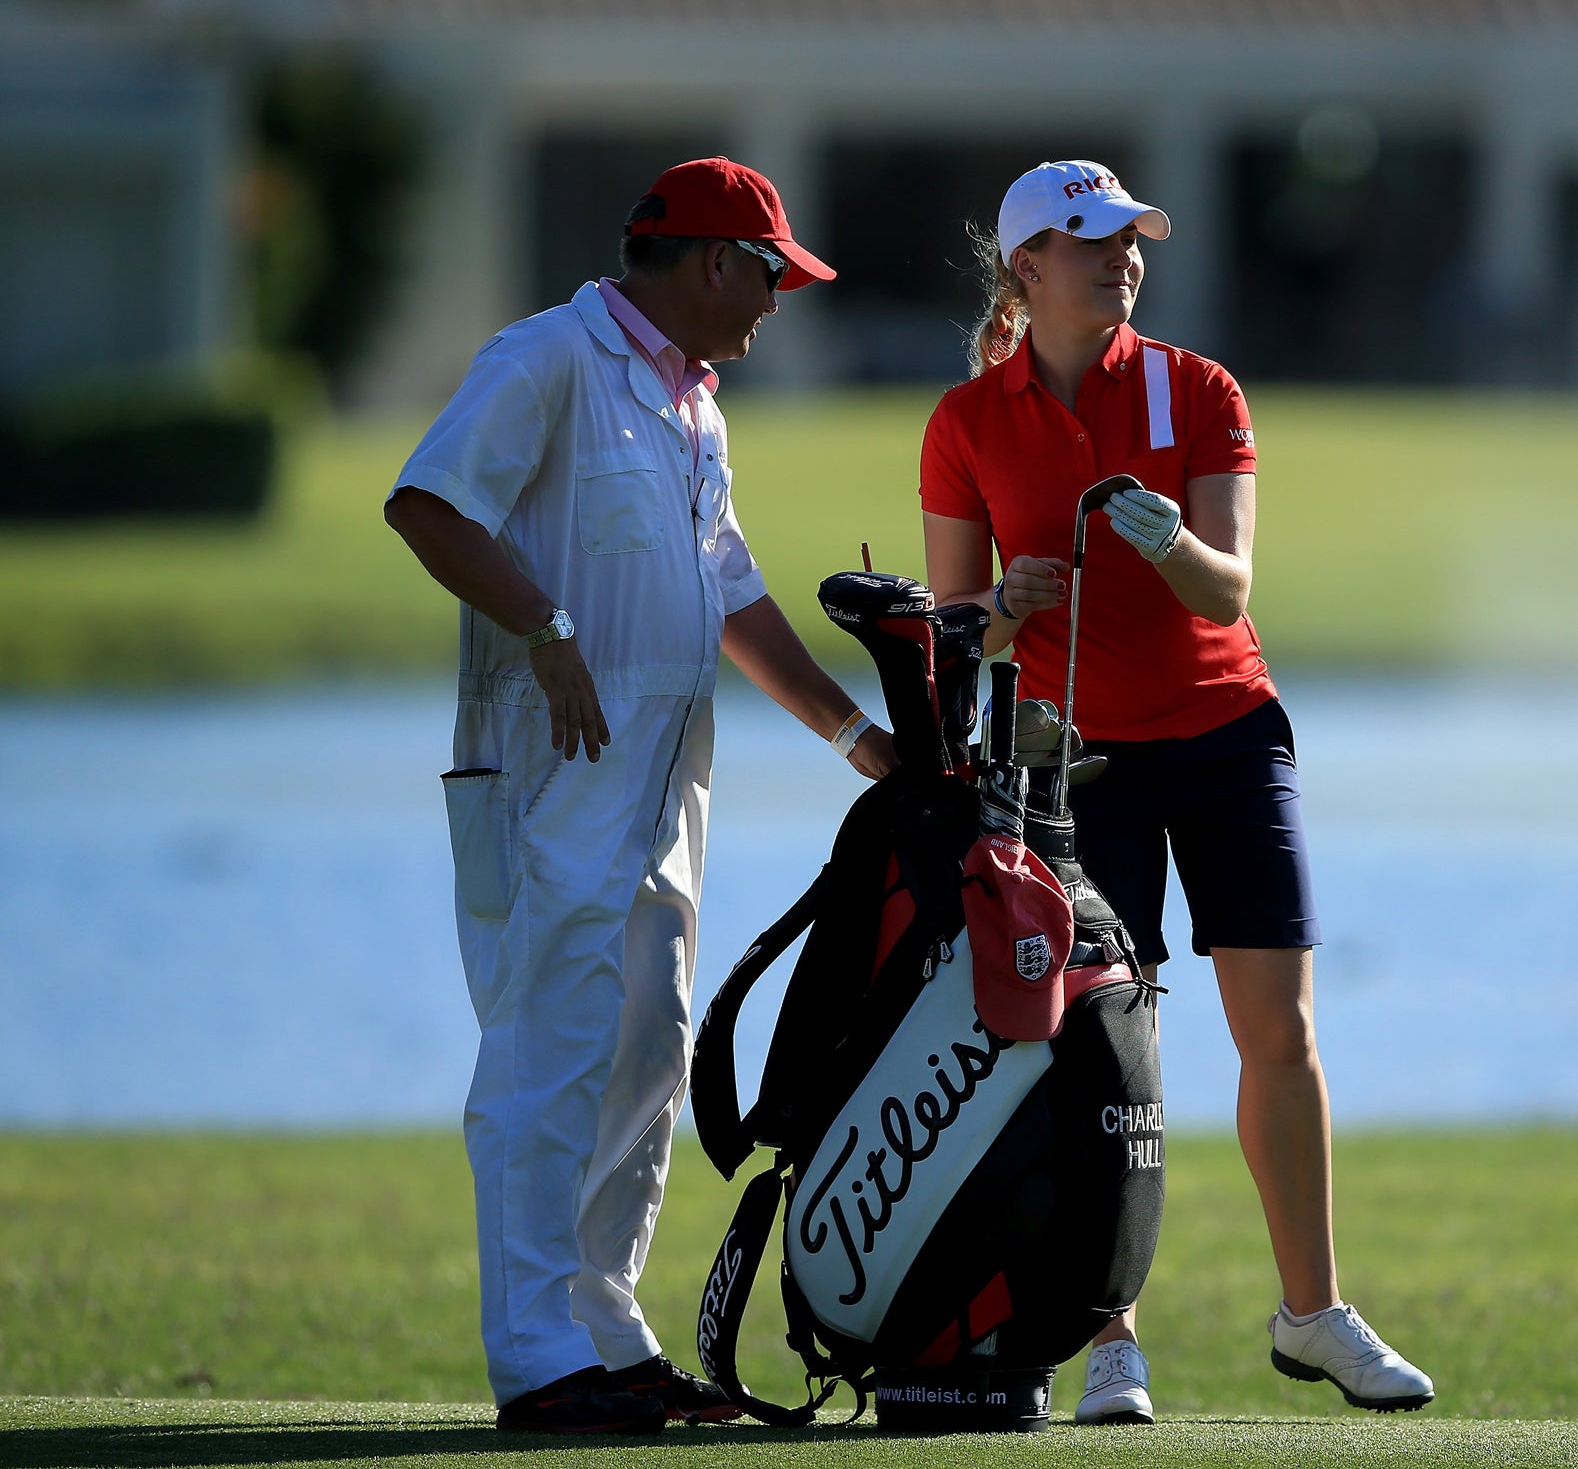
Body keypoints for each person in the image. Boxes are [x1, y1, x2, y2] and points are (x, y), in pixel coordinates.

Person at [385, 156, 897, 1435]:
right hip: (546, 767)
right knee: (549, 1051)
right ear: (714, 261)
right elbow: (429, 505)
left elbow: (727, 588)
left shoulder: (695, 408)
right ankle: (536, 1358)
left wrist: (851, 735)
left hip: (666, 782)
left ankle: (605, 1329)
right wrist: (545, 629)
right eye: (770, 274)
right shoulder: (546, 358)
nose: (777, 301)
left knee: (647, 1050)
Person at [920, 160, 1434, 1425]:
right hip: (1075, 761)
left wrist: (1156, 533)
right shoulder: (967, 421)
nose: (1120, 259)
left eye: (1130, 241)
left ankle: (1311, 1315)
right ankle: (1105, 1343)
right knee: (1105, 1052)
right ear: (1026, 266)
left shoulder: (1198, 388)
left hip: (1225, 739)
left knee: (1280, 1030)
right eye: (1090, 242)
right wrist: (1006, 607)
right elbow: (951, 630)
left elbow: (1226, 589)